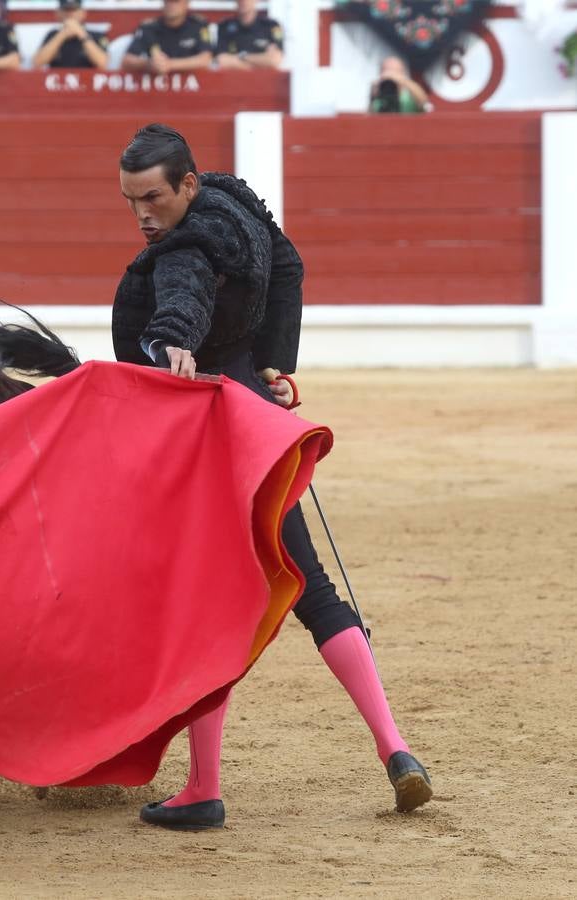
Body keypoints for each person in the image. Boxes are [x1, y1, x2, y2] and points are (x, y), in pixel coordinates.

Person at [113, 123, 433, 831]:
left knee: (206, 610)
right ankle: (396, 749)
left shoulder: (184, 246)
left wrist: (172, 342)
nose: (143, 215)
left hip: (211, 432)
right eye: (131, 200)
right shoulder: (237, 208)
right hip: (261, 422)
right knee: (311, 585)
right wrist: (269, 363)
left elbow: (183, 299)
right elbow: (288, 267)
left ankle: (202, 788)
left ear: (188, 185)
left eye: (155, 198)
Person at [121, 0, 213, 75]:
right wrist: (148, 64)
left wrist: (170, 65)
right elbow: (127, 61)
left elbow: (205, 59)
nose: (171, 6)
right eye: (168, 2)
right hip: (156, 90)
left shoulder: (198, 26)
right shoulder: (149, 28)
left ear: (187, 4)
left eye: (176, 2)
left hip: (194, 89)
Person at [32, 0, 109, 70]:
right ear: (58, 13)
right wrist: (62, 34)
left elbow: (103, 63)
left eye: (74, 10)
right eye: (66, 10)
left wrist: (81, 34)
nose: (70, 14)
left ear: (83, 13)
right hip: (59, 82)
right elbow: (37, 62)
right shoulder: (52, 34)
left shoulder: (96, 35)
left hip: (88, 81)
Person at [215, 0, 284, 71]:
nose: (244, 1)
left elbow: (274, 60)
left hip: (264, 80)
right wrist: (262, 63)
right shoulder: (225, 26)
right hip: (234, 80)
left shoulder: (270, 26)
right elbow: (222, 60)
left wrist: (242, 57)